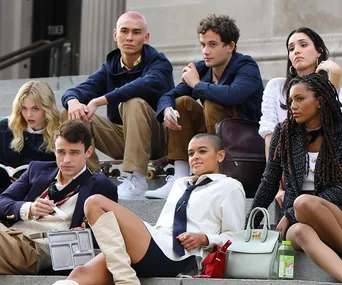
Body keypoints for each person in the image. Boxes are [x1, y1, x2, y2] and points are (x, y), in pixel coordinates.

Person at [52, 133, 246, 285]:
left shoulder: (230, 187)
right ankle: (126, 278)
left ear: (220, 155)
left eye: (202, 151)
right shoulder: (180, 184)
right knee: (79, 275)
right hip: (156, 242)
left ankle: (127, 282)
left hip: (180, 255)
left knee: (94, 202)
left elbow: (236, 238)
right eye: (190, 153)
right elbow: (164, 225)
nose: (195, 157)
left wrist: (205, 238)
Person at [145, 14, 263, 199]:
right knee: (181, 103)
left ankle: (217, 173)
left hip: (242, 144)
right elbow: (169, 95)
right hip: (212, 135)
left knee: (213, 102)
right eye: (203, 44)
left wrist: (197, 85)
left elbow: (233, 95)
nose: (206, 51)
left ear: (230, 46)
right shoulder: (202, 68)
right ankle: (181, 176)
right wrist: (167, 110)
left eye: (212, 44)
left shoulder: (246, 66)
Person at [61, 11, 174, 200]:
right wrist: (73, 101)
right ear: (115, 34)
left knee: (133, 102)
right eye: (124, 31)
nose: (129, 37)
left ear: (146, 37)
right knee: (71, 114)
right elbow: (80, 90)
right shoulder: (110, 67)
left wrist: (99, 100)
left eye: (136, 32)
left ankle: (136, 178)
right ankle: (90, 178)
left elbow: (140, 86)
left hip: (158, 139)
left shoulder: (159, 63)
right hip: (123, 138)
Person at [249, 73, 342, 282]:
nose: (293, 106)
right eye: (290, 100)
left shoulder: (339, 132)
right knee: (300, 231)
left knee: (303, 203)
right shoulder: (285, 133)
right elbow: (269, 182)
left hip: (335, 214)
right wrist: (251, 225)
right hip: (297, 221)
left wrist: (291, 212)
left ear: (320, 100)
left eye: (300, 99)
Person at [0, 120, 118, 275]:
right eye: (61, 152)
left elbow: (106, 236)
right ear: (54, 149)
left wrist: (84, 234)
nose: (66, 159)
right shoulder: (37, 170)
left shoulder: (101, 186)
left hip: (34, 251)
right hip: (8, 236)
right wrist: (28, 208)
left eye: (74, 152)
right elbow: (3, 201)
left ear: (88, 152)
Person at [258, 27, 342, 207]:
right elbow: (270, 137)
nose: (296, 51)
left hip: (329, 198)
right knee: (298, 225)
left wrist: (333, 78)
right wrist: (280, 185)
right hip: (290, 178)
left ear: (319, 52)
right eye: (290, 48)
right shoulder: (276, 88)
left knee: (302, 206)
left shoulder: (334, 106)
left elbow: (331, 122)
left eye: (303, 45)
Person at [0, 80, 60, 192]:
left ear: (47, 108)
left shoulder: (59, 134)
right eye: (24, 108)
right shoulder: (4, 128)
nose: (28, 115)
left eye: (35, 108)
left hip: (37, 196)